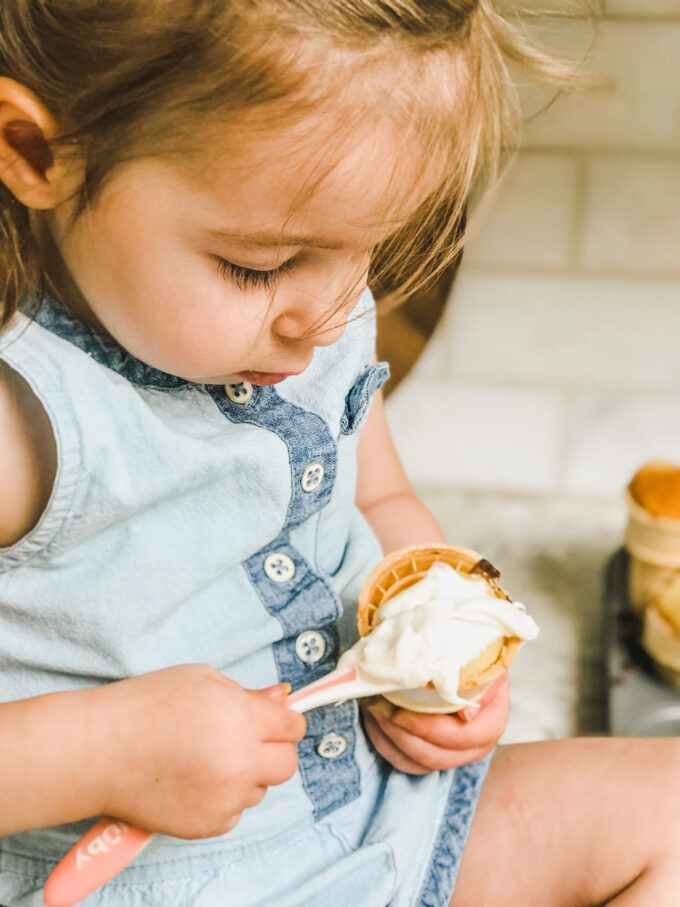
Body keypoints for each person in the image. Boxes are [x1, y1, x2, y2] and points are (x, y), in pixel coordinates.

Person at [0, 2, 678, 905]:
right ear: (37, 153)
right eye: (258, 265)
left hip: (383, 813)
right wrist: (96, 752)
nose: (326, 318)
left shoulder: (318, 318)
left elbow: (383, 498)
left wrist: (441, 638)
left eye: (366, 250)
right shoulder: (25, 423)